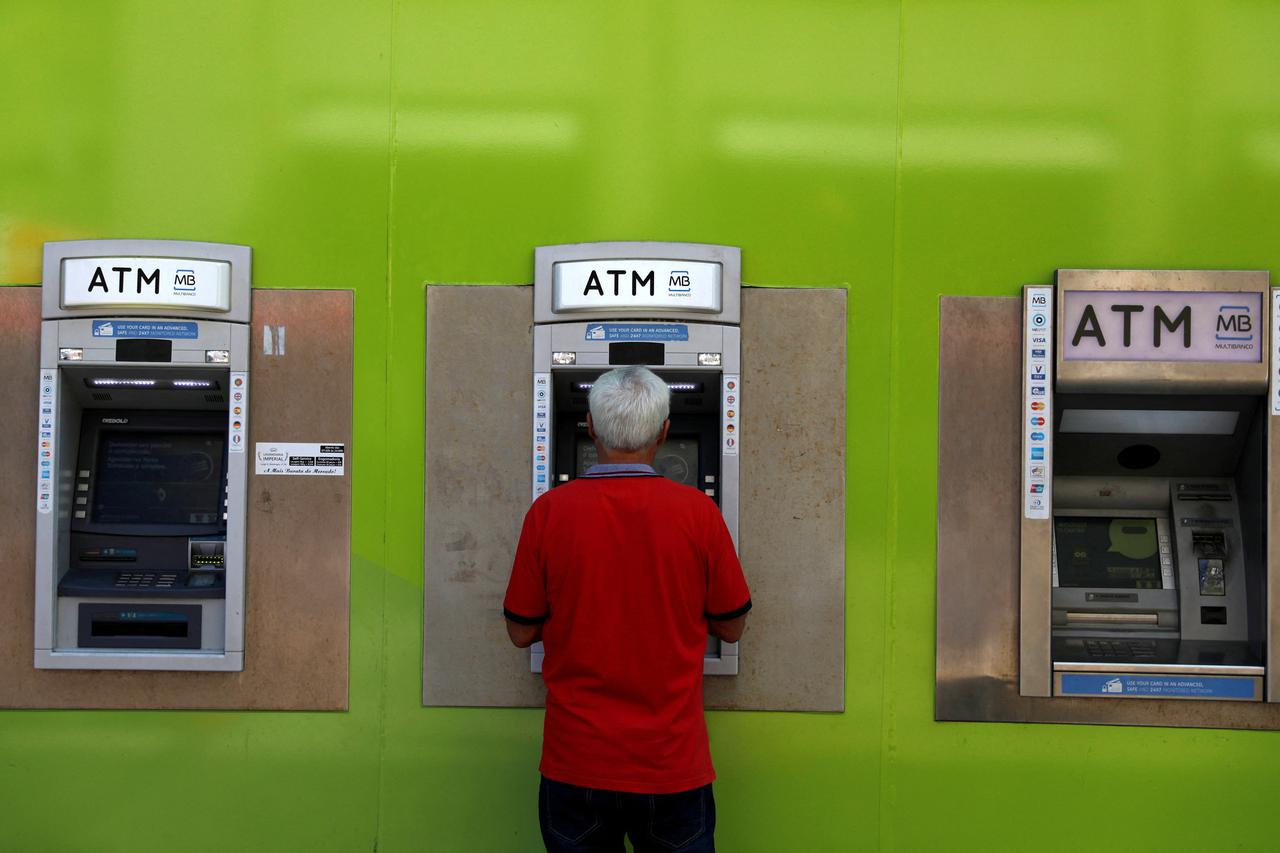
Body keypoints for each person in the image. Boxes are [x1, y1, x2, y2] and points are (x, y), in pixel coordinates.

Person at [503, 365, 751, 853]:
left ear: (590, 428)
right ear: (664, 432)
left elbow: (520, 632)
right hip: (671, 765)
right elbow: (732, 625)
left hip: (576, 764)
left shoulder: (549, 513)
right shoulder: (699, 514)